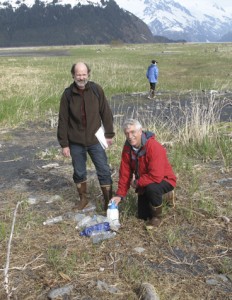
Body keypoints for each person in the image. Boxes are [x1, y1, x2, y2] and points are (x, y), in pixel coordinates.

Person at [57, 62, 115, 211]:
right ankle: (83, 200)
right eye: (78, 74)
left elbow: (106, 112)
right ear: (73, 75)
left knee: (103, 169)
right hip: (75, 142)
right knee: (79, 172)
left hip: (96, 140)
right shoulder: (68, 94)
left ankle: (109, 201)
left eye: (84, 74)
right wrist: (64, 144)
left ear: (88, 74)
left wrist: (109, 134)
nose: (81, 77)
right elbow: (63, 120)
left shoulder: (96, 90)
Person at [110, 119, 177, 227]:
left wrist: (137, 183)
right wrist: (120, 195)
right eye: (127, 133)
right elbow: (125, 172)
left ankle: (157, 217)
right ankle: (164, 197)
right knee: (142, 215)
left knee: (153, 189)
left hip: (164, 179)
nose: (130, 136)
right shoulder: (128, 147)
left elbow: (156, 176)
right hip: (146, 180)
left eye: (133, 132)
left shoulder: (154, 146)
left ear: (140, 131)